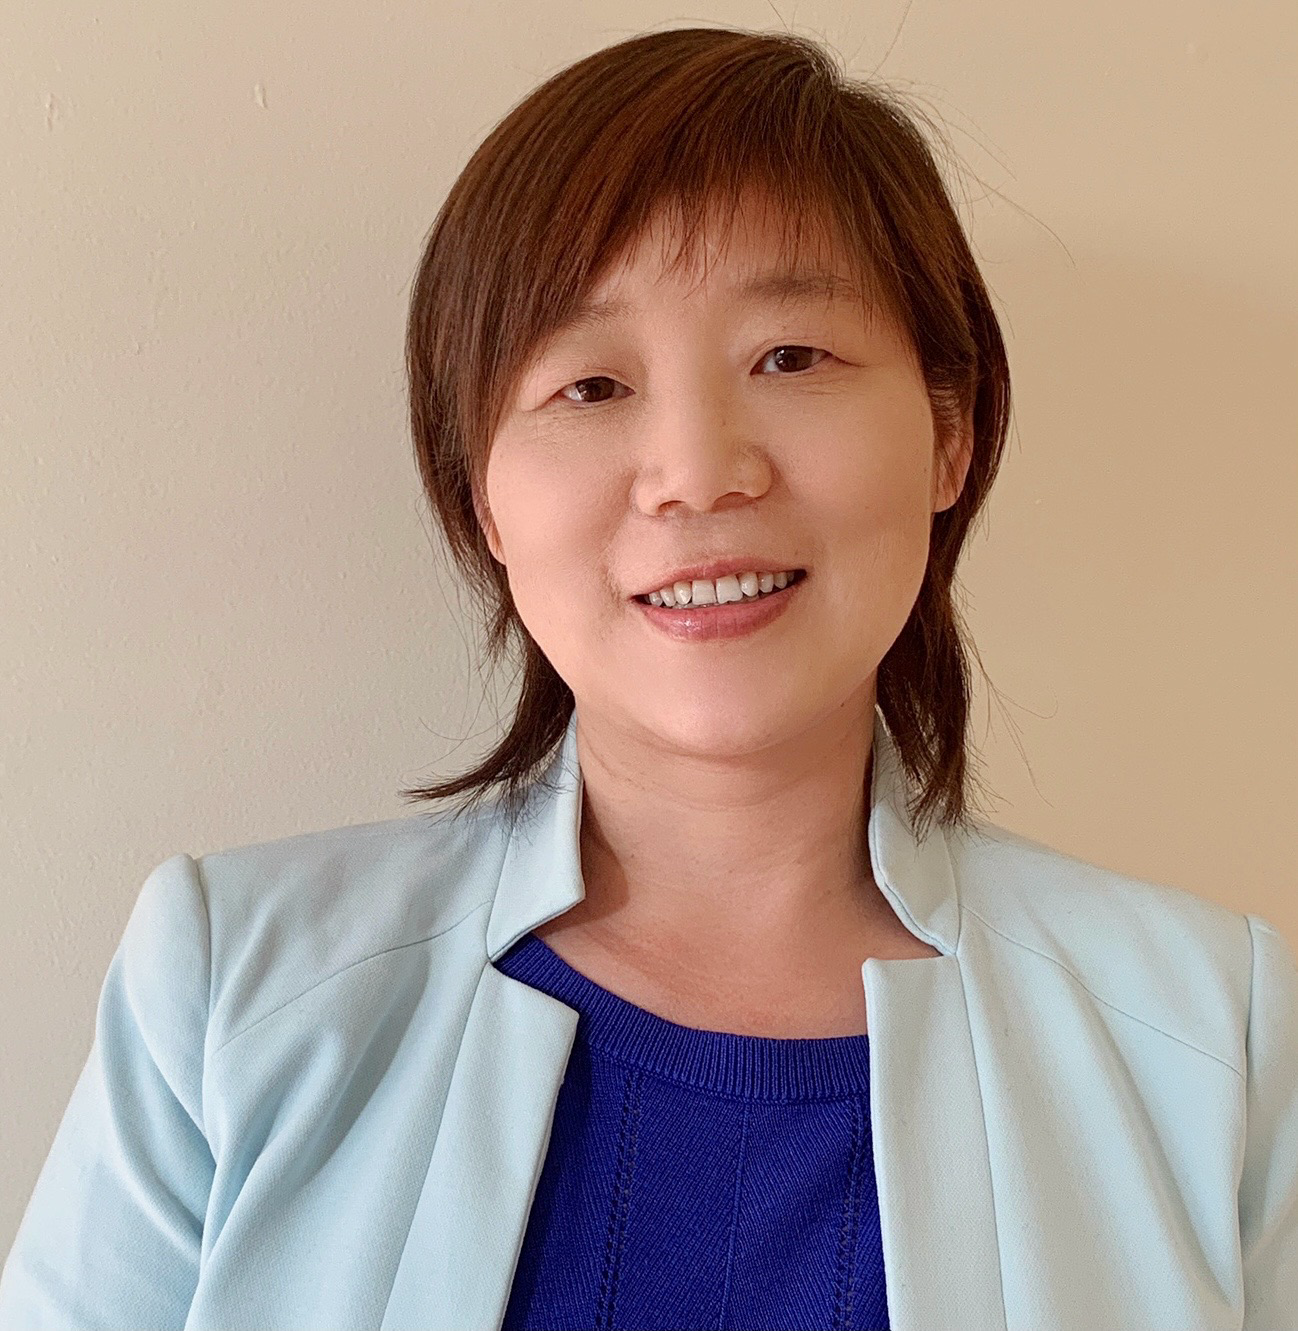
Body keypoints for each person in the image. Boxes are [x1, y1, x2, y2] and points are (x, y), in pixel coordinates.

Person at [2, 24, 1294, 1331]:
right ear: (483, 497)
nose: (698, 472)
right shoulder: (233, 990)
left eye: (790, 357)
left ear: (948, 434)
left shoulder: (1209, 1035)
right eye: (591, 384)